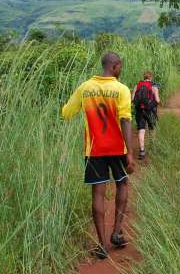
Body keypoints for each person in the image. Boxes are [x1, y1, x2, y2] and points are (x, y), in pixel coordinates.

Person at [62, 52, 135, 260]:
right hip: (117, 148)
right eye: (120, 66)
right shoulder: (121, 89)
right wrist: (130, 153)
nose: (121, 69)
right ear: (115, 66)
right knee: (122, 184)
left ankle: (102, 244)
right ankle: (117, 232)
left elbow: (67, 113)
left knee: (98, 194)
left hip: (93, 150)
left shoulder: (85, 87)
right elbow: (126, 120)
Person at [132, 71, 160, 159]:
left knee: (141, 130)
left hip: (140, 111)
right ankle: (153, 148)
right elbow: (158, 100)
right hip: (150, 111)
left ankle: (142, 150)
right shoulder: (154, 86)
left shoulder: (137, 85)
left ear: (143, 77)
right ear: (151, 77)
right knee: (152, 129)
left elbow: (133, 99)